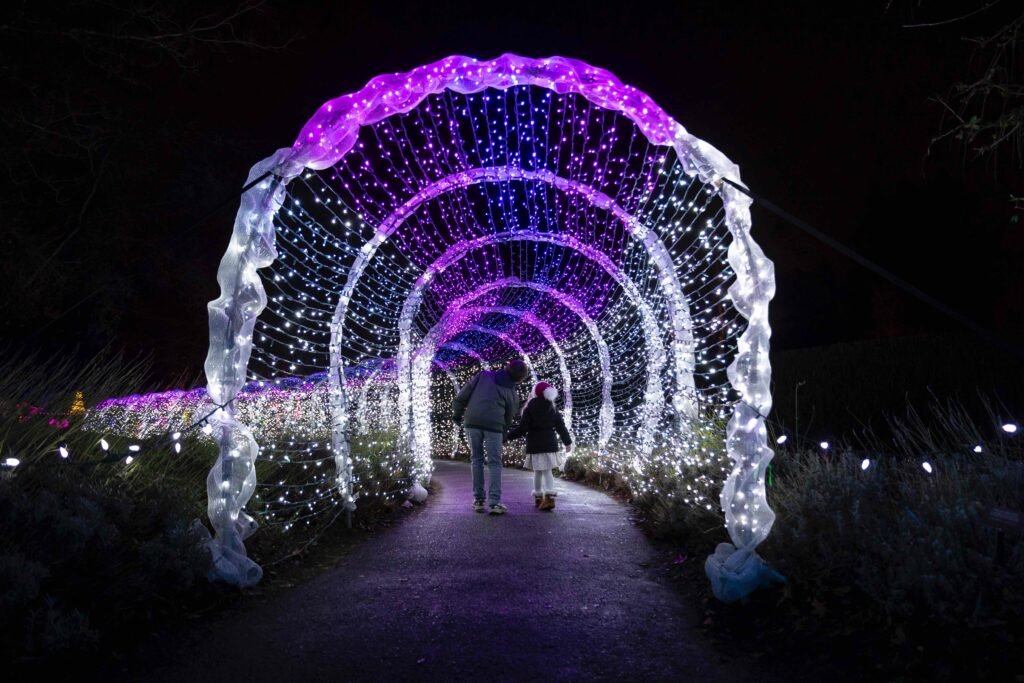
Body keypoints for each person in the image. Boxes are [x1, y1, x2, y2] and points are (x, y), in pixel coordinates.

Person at [452, 358, 530, 514]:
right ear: (519, 379)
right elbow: (508, 418)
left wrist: (457, 415)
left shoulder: (483, 376)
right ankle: (494, 503)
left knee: (476, 459)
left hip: (472, 422)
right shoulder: (512, 394)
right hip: (494, 427)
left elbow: (462, 396)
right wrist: (504, 434)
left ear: (507, 367)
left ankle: (478, 500)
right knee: (494, 462)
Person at [504, 381, 572, 511]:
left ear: (535, 393)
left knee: (538, 472)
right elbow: (561, 428)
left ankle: (540, 497)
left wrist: (507, 436)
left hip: (535, 445)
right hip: (550, 444)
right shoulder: (552, 408)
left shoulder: (529, 408)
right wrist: (567, 442)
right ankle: (548, 498)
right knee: (547, 471)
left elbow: (522, 429)